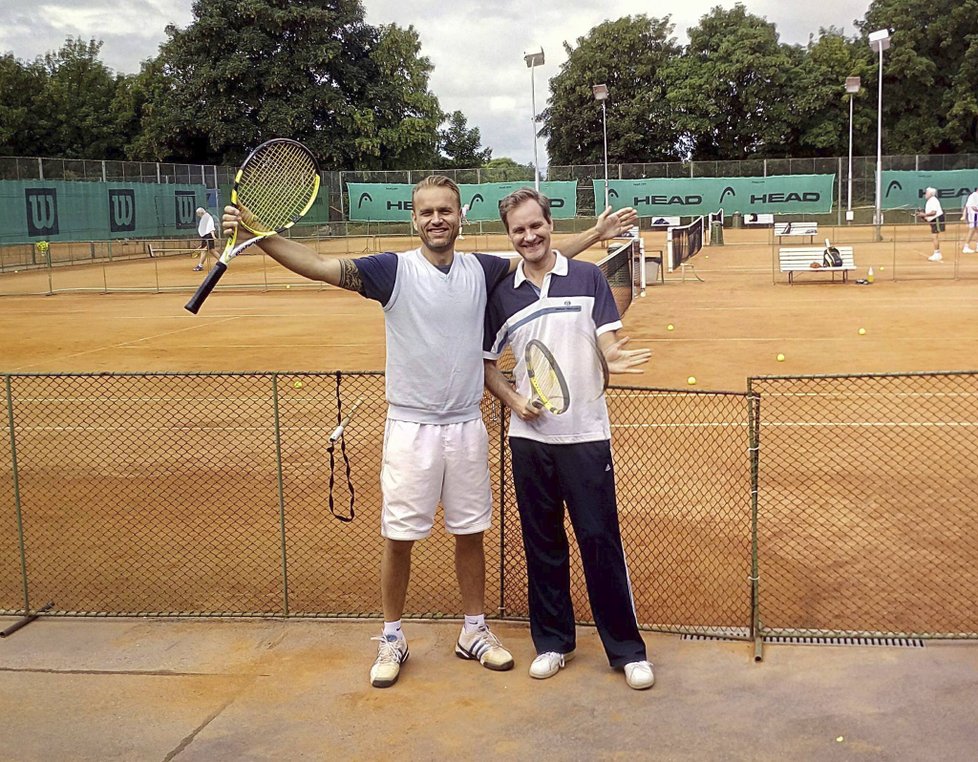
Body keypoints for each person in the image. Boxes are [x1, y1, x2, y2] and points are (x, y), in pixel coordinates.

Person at [222, 176, 637, 689]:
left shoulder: (480, 269)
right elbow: (321, 267)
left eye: (446, 210)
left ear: (460, 216)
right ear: (413, 220)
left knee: (470, 534)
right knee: (399, 538)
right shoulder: (391, 270)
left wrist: (594, 235)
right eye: (427, 212)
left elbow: (539, 254)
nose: (436, 219)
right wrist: (259, 235)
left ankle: (474, 630)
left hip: (466, 426)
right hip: (411, 428)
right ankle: (392, 635)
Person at [482, 188, 655, 691]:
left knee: (600, 541)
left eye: (536, 225)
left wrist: (613, 355)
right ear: (509, 235)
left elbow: (605, 334)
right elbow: (488, 365)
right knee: (543, 545)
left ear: (550, 224)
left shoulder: (587, 276)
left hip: (585, 436)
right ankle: (554, 642)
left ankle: (626, 650)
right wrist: (514, 402)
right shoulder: (502, 293)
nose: (529, 236)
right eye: (519, 230)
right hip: (529, 441)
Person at [919, 187, 945, 262]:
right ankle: (937, 253)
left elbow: (934, 212)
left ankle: (937, 254)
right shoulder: (930, 200)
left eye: (927, 192)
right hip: (934, 219)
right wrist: (924, 216)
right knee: (934, 236)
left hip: (937, 219)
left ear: (931, 194)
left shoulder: (933, 200)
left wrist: (924, 214)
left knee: (934, 236)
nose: (925, 194)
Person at [962, 186, 978, 254]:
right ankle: (966, 247)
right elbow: (973, 207)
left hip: (975, 215)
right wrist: (964, 216)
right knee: (972, 230)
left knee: (976, 230)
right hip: (974, 215)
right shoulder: (974, 195)